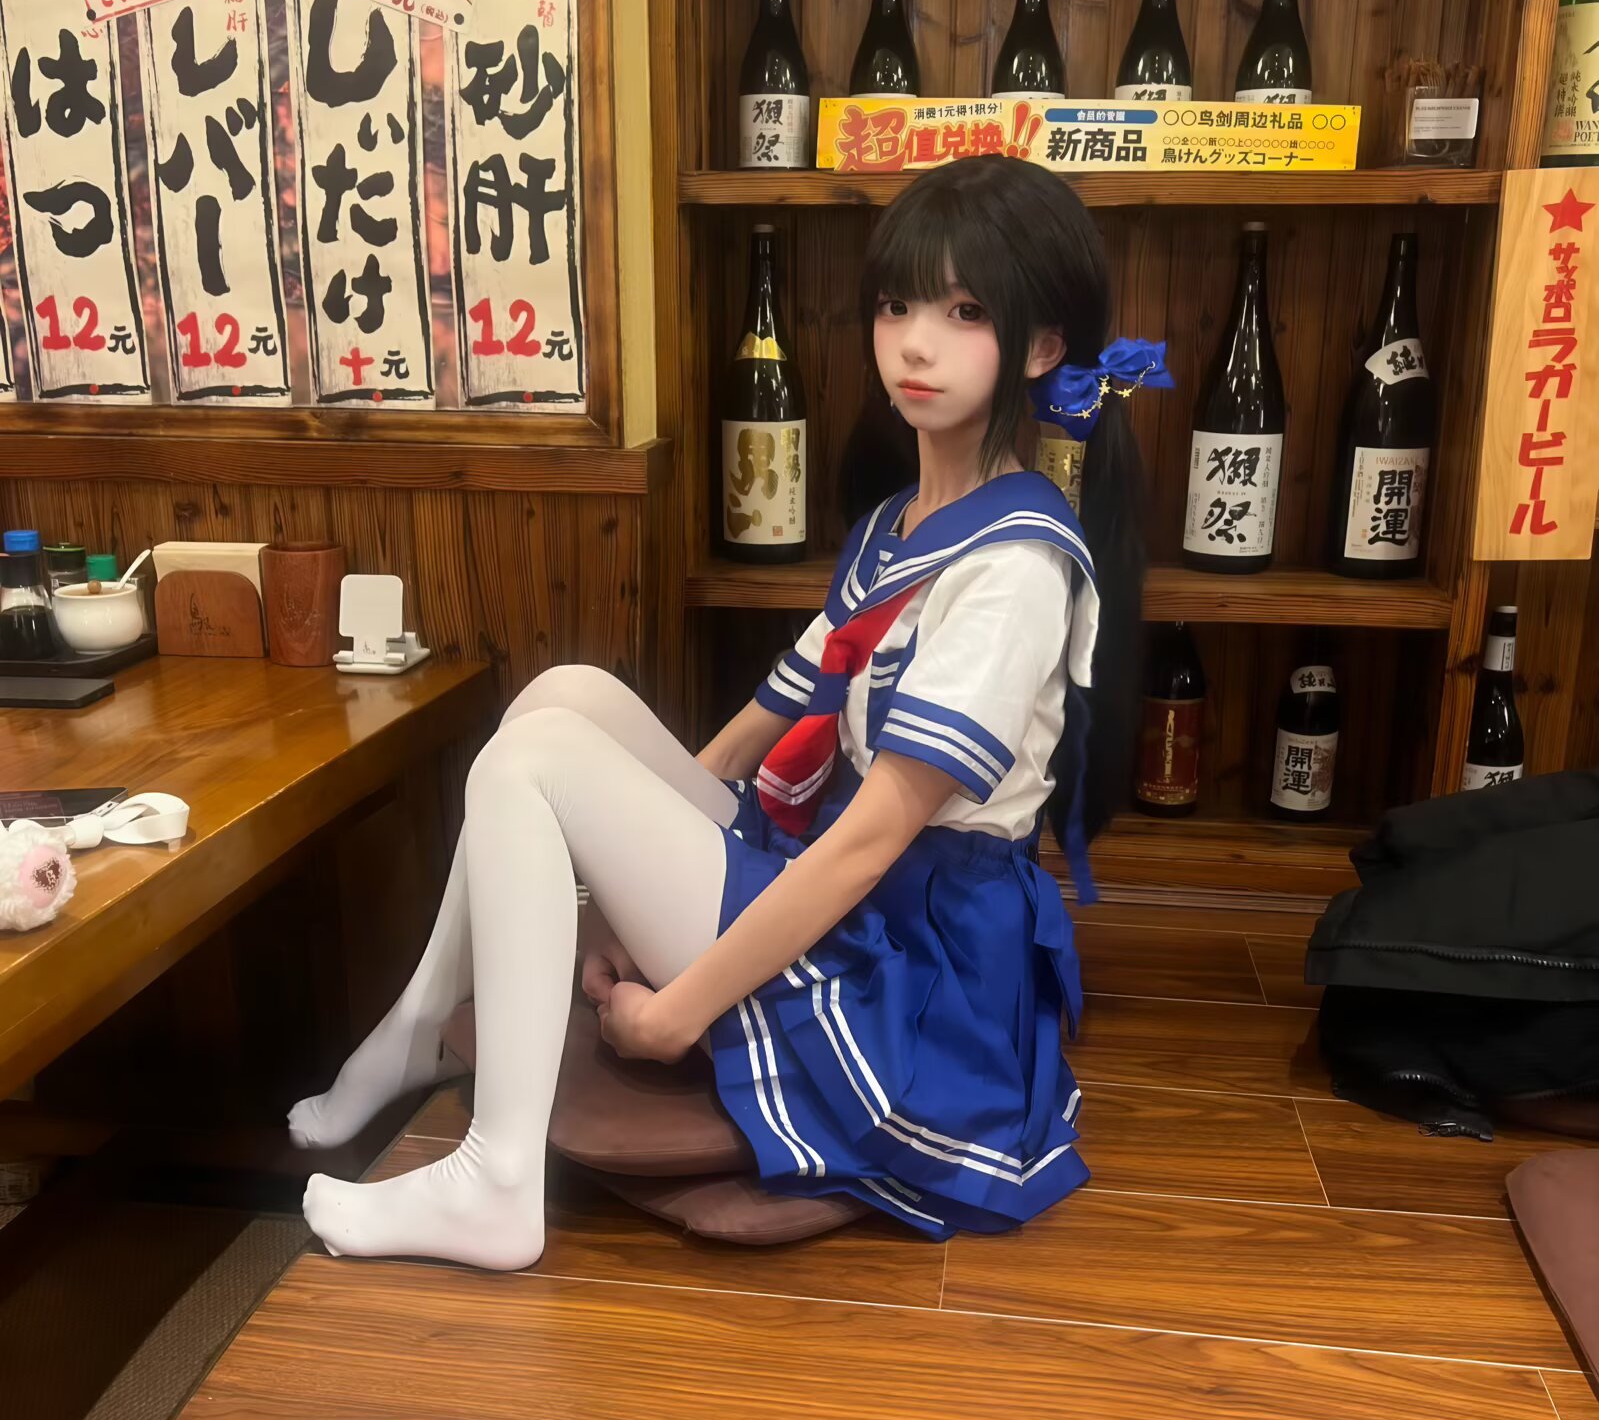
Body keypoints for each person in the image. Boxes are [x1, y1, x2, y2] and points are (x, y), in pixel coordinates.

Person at [292, 156, 1164, 1269]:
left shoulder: (1016, 567)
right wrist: (621, 876)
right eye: (897, 305)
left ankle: (495, 1182)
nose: (914, 344)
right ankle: (424, 1027)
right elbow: (760, 726)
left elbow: (876, 838)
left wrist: (677, 1008)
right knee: (561, 700)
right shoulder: (900, 520)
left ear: (1041, 346)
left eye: (965, 313)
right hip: (850, 883)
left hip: (916, 959)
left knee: (533, 760)